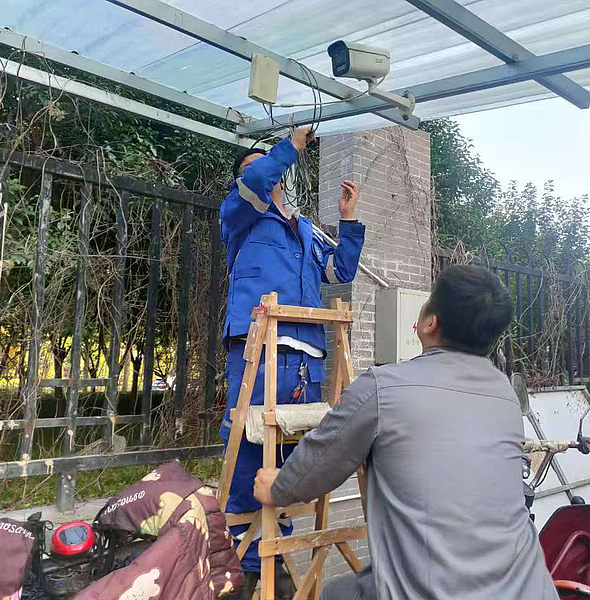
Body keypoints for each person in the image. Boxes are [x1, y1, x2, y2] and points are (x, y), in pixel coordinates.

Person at [253, 264, 559, 600]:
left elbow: (319, 463)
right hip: (529, 588)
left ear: (429, 323)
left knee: (335, 594)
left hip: (435, 591)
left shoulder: (382, 388)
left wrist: (278, 487)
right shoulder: (505, 395)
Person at [219, 126, 366, 598]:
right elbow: (256, 181)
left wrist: (348, 222)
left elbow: (339, 271)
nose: (265, 172)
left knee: (288, 451)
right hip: (258, 350)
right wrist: (292, 146)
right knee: (249, 443)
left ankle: (277, 564)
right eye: (254, 167)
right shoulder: (240, 215)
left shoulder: (303, 229)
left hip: (306, 356)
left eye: (269, 165)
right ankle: (244, 568)